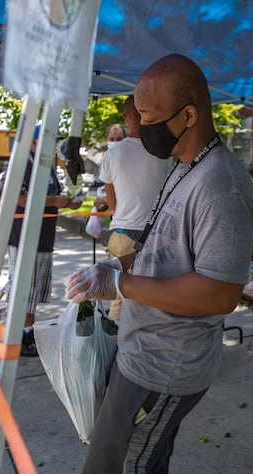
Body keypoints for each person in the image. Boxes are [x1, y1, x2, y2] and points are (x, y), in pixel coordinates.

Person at [66, 54, 253, 474]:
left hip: (167, 367)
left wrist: (122, 286)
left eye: (148, 116)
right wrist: (120, 268)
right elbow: (164, 250)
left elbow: (219, 293)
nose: (140, 126)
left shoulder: (221, 185)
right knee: (132, 467)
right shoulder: (183, 167)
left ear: (188, 115)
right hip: (143, 351)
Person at [9, 123, 83, 357]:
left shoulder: (46, 165)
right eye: (49, 139)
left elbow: (52, 196)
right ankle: (20, 337)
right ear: (33, 142)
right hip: (24, 238)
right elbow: (19, 197)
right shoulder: (23, 164)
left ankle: (27, 332)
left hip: (42, 239)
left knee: (34, 292)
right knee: (24, 291)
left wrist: (68, 202)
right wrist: (53, 201)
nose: (53, 145)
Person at [95, 95, 169, 320]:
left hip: (123, 234)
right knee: (152, 298)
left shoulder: (111, 154)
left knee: (120, 298)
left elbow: (111, 199)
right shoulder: (164, 152)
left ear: (125, 118)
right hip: (155, 235)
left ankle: (116, 348)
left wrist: (124, 214)